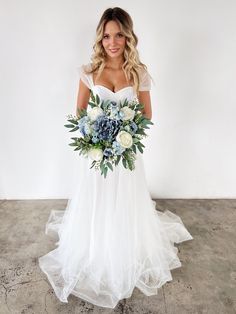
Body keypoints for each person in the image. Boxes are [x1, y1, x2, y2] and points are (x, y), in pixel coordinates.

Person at [38, 7, 193, 309]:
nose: (112, 42)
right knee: (98, 200)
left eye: (119, 35)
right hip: (97, 155)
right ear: (101, 38)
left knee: (123, 200)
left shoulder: (138, 73)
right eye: (107, 36)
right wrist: (96, 135)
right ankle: (96, 246)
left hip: (125, 155)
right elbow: (80, 113)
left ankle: (122, 247)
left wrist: (126, 135)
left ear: (128, 37)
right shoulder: (89, 71)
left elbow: (147, 114)